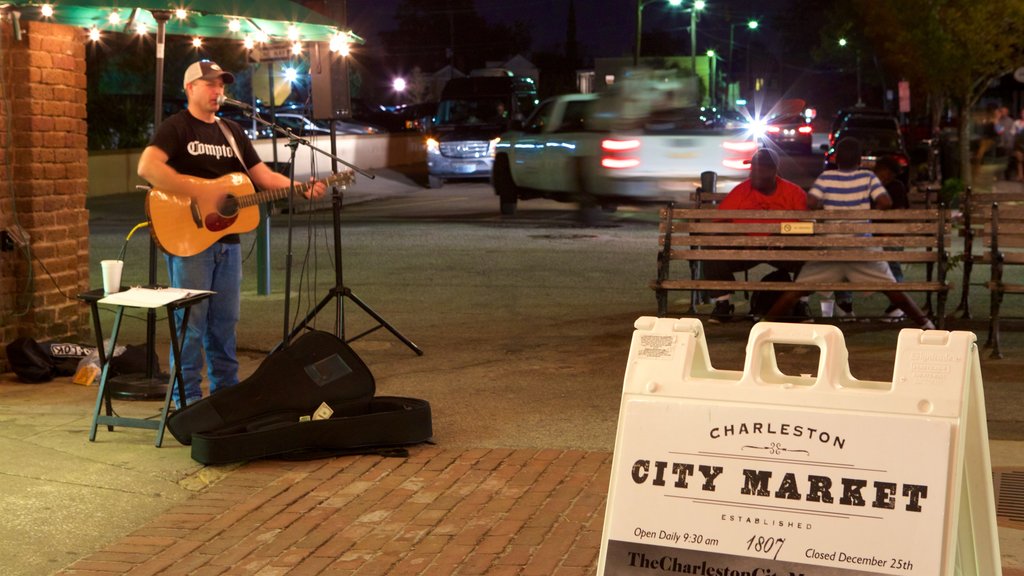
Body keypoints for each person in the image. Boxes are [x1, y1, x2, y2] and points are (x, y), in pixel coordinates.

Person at [137, 60, 326, 407]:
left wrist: (297, 186)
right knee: (191, 324)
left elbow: (262, 176)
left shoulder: (231, 132)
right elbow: (148, 167)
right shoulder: (177, 127)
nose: (217, 90)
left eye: (221, 84)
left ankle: (227, 398)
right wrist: (200, 191)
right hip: (189, 240)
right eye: (209, 83)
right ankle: (187, 402)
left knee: (225, 323)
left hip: (227, 243)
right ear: (190, 88)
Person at [763, 138, 935, 330]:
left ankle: (763, 326)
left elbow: (810, 202)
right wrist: (870, 213)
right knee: (892, 289)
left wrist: (825, 208)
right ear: (860, 161)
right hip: (862, 246)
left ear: (836, 159)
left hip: (830, 247)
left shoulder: (826, 177)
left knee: (796, 290)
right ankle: (927, 325)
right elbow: (885, 201)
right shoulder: (867, 177)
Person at [703, 148, 811, 323]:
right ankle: (722, 303)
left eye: (760, 169)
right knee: (711, 247)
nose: (754, 173)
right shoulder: (740, 191)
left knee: (809, 250)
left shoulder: (793, 192)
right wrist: (741, 237)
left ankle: (801, 303)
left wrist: (784, 234)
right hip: (746, 248)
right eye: (753, 169)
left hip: (783, 250)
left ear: (774, 171)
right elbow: (718, 224)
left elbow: (808, 227)